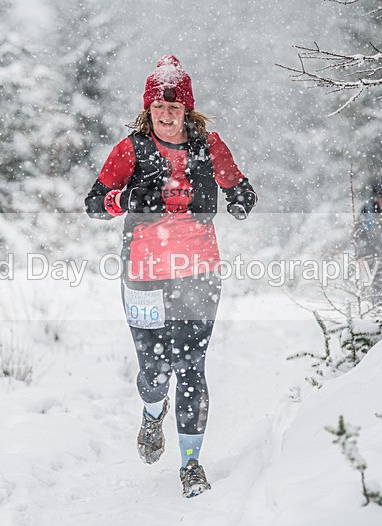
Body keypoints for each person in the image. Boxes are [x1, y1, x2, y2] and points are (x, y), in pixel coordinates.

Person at [84, 55, 256, 498]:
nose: (166, 115)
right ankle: (151, 412)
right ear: (148, 109)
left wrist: (239, 199)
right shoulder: (130, 149)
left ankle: (191, 463)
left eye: (175, 108)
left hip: (199, 271)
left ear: (187, 110)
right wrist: (126, 198)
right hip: (143, 273)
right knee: (155, 371)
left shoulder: (208, 145)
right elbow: (94, 203)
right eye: (159, 108)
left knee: (191, 366)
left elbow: (239, 186)